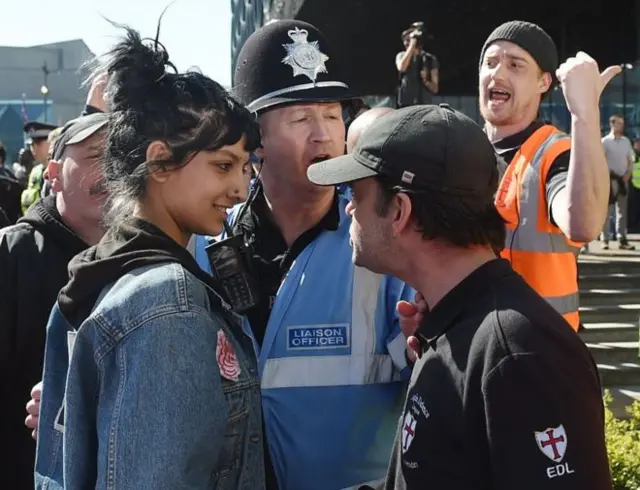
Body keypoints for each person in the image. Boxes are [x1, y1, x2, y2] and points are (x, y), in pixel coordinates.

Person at [308, 103, 612, 490]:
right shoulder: (450, 329)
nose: (349, 208)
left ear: (400, 210)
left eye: (357, 193)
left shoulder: (517, 353)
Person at [34, 27, 264, 490]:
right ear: (159, 162)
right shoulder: (166, 303)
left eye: (245, 167)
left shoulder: (101, 271)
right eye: (222, 165)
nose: (240, 189)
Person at [194, 20, 413, 490]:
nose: (324, 137)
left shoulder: (383, 241)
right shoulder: (205, 242)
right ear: (255, 140)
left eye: (332, 115)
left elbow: (433, 379)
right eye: (300, 119)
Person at [479, 21, 618, 330]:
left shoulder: (555, 153)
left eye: (515, 65)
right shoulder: (462, 151)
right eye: (490, 63)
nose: (498, 74)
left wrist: (584, 114)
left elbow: (583, 224)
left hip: (542, 354)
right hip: (472, 346)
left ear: (543, 82)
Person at [0, 112, 108, 490]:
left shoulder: (138, 261)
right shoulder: (12, 253)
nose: (111, 171)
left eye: (120, 158)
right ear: (53, 173)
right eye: (96, 156)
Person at [599, 114, 635, 250]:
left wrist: (628, 174)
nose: (621, 126)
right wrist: (607, 174)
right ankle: (605, 239)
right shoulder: (605, 142)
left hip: (623, 179)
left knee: (622, 211)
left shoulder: (626, 141)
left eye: (622, 123)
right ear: (612, 124)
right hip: (610, 180)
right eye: (619, 123)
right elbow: (601, 160)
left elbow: (630, 160)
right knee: (607, 211)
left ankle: (622, 238)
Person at [396, 24, 439, 107]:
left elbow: (435, 89)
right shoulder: (401, 55)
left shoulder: (429, 59)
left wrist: (425, 81)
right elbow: (402, 68)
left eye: (409, 40)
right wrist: (412, 46)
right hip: (405, 104)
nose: (406, 43)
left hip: (424, 105)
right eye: (405, 41)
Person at [21, 121, 58, 213]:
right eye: (32, 144)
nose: (33, 147)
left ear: (52, 143)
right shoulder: (35, 172)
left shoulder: (60, 171)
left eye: (38, 143)